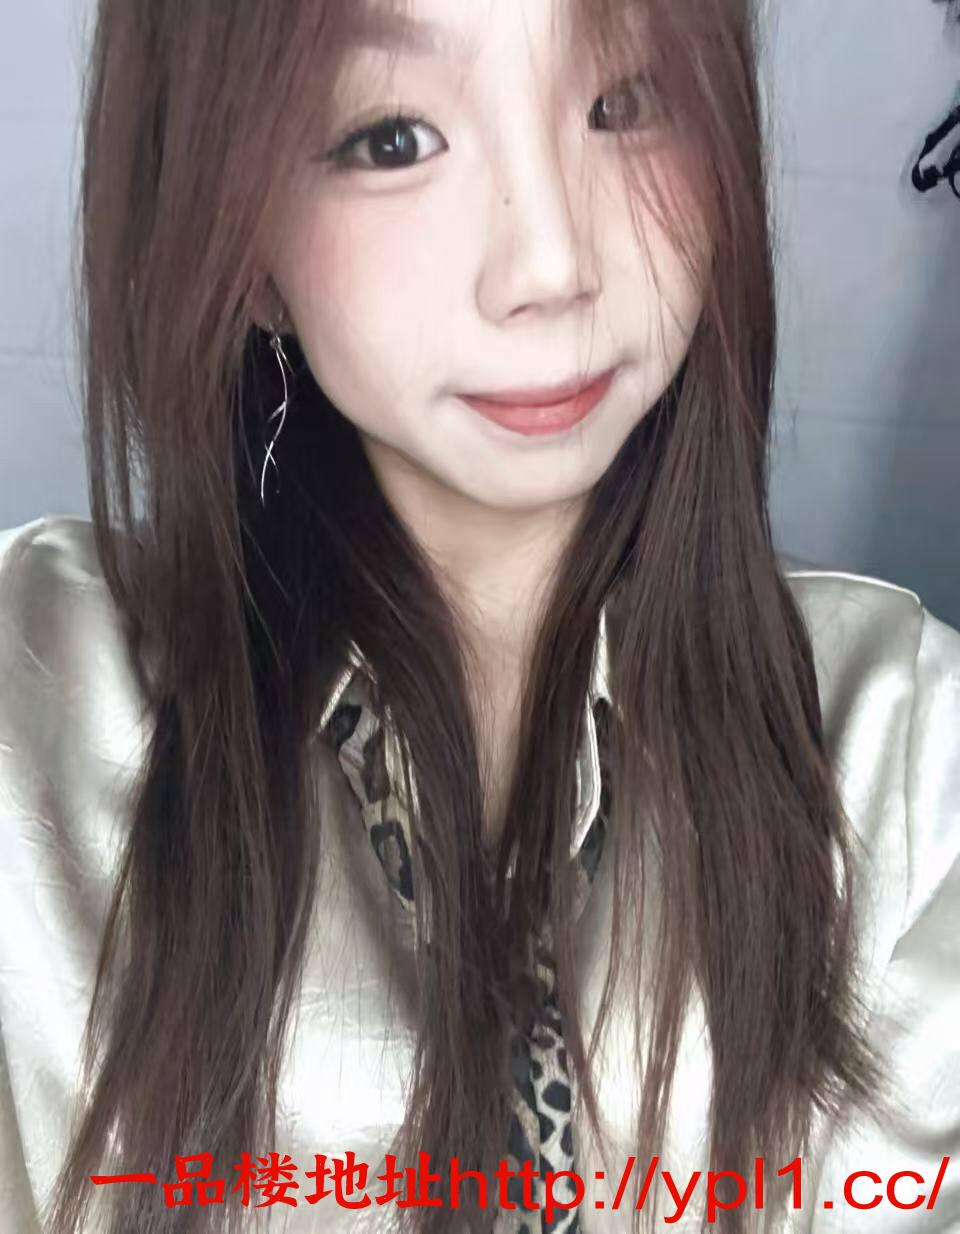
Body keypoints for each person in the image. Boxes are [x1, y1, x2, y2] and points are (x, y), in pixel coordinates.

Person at [0, 0, 958, 1231]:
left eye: (622, 103)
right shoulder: (39, 717)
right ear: (239, 236)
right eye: (391, 138)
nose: (550, 265)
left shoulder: (905, 763)